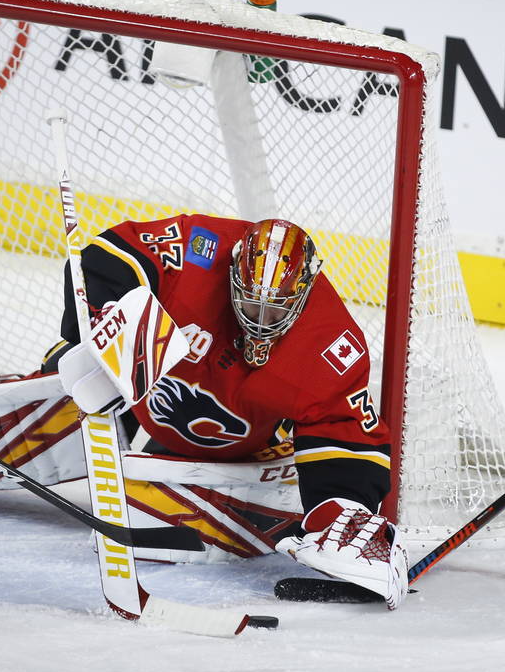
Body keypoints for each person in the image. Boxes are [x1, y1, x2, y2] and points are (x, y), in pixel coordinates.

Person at [53, 213, 409, 608]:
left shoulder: (329, 343)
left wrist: (342, 510)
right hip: (137, 403)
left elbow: (346, 431)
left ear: (305, 291)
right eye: (249, 301)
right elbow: (102, 260)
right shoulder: (197, 247)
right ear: (234, 268)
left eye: (274, 311)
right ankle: (60, 374)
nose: (259, 321)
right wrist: (106, 333)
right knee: (71, 366)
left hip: (243, 448)